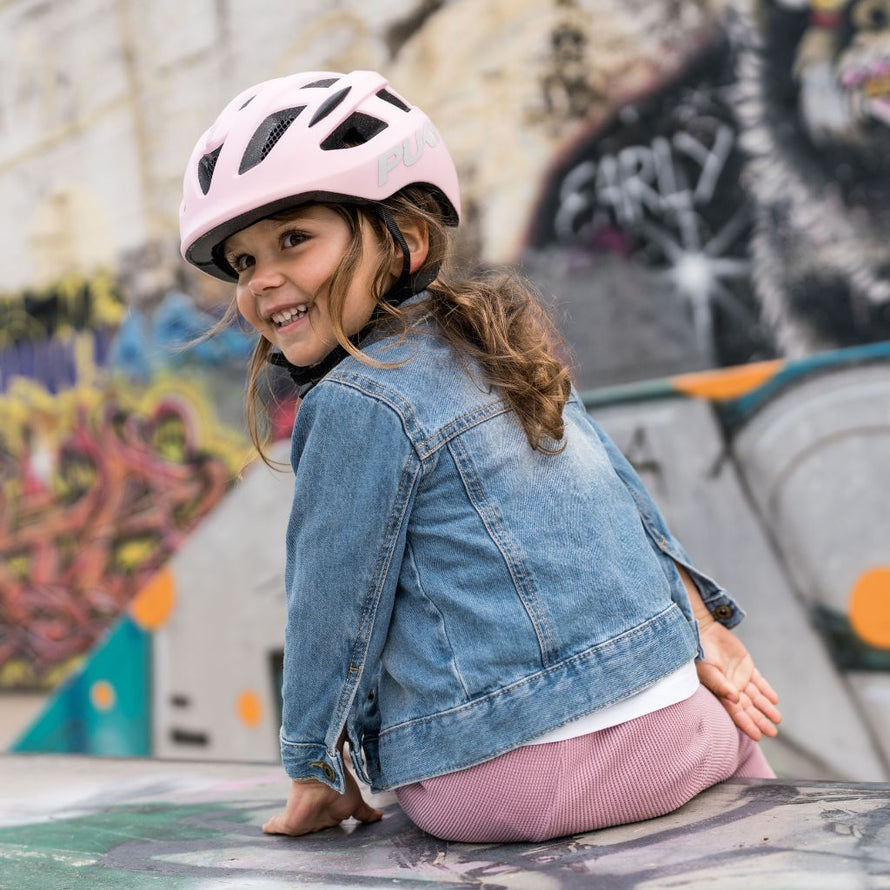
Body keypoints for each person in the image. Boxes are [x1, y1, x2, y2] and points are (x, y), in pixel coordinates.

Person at [179, 69, 782, 844]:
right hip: (685, 732)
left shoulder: (354, 398)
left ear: (409, 242)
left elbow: (332, 602)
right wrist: (702, 627)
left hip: (509, 779)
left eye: (294, 239)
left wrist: (314, 769)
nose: (263, 281)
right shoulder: (497, 345)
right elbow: (624, 497)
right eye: (241, 262)